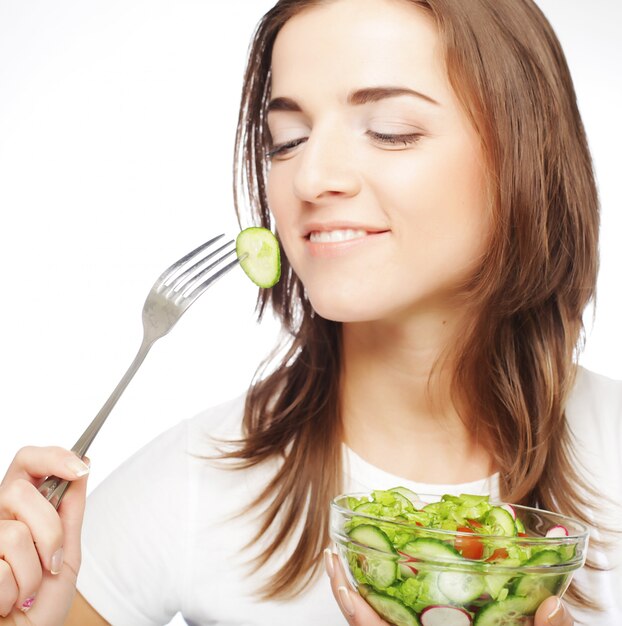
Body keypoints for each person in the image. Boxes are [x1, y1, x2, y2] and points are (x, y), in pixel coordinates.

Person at [0, 0, 620, 624]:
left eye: (391, 130)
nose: (311, 178)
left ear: (526, 154)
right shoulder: (197, 477)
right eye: (286, 141)